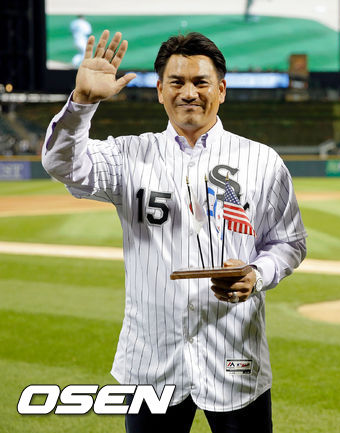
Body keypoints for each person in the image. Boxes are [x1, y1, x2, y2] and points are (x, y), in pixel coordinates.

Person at [42, 30, 307, 432]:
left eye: (200, 82)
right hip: (151, 361)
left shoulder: (262, 161)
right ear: (160, 92)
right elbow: (63, 166)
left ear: (221, 90)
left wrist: (257, 275)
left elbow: (289, 242)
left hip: (235, 355)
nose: (189, 93)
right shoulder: (130, 154)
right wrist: (81, 105)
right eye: (177, 82)